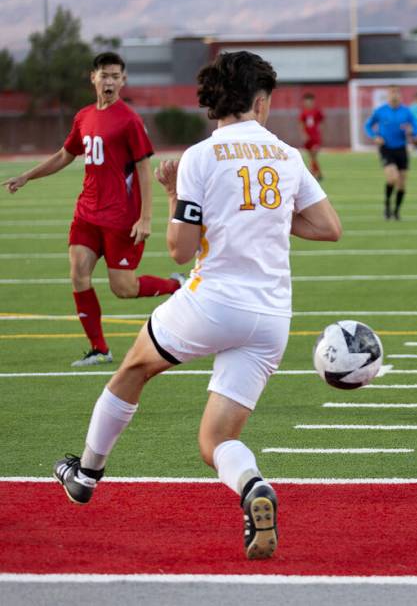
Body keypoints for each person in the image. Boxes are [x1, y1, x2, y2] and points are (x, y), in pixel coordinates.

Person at [51, 51, 342, 559]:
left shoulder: (201, 157)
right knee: (215, 441)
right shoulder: (288, 156)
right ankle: (253, 487)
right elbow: (329, 228)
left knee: (132, 372)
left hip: (212, 304)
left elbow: (181, 251)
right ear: (259, 101)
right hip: (272, 318)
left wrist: (169, 195)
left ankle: (87, 474)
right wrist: (262, 216)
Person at [2, 52, 180, 367]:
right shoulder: (84, 116)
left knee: (123, 288)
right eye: (104, 75)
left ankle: (177, 286)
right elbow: (63, 155)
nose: (109, 81)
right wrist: (27, 176)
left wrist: (146, 217)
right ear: (93, 77)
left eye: (115, 76)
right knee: (78, 272)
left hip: (120, 218)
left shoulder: (129, 120)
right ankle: (99, 349)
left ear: (123, 81)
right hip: (87, 212)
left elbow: (143, 168)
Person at [364, 86, 417, 220]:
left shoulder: (406, 111)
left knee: (402, 183)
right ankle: (387, 204)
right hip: (386, 148)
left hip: (401, 149)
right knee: (392, 178)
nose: (394, 95)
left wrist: (413, 133)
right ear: (388, 95)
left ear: (400, 95)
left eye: (397, 92)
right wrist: (374, 136)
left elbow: (416, 126)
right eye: (392, 93)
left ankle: (396, 211)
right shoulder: (380, 111)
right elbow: (367, 126)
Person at [298, 93, 324, 181]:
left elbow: (321, 122)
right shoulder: (303, 113)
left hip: (315, 137)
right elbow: (301, 124)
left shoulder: (317, 111)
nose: (308, 103)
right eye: (306, 102)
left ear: (313, 102)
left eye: (310, 101)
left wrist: (319, 133)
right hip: (308, 138)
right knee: (312, 157)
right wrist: (304, 135)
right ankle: (318, 173)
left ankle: (312, 173)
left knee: (314, 154)